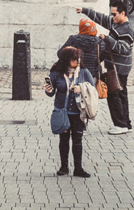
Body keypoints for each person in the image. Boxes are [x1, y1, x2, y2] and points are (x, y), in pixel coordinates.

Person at [77, 1, 134, 134]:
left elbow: (124, 49)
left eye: (114, 14)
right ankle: (126, 124)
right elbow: (101, 18)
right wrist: (85, 10)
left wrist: (108, 39)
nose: (112, 17)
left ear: (123, 13)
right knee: (121, 94)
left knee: (114, 95)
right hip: (116, 68)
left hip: (119, 68)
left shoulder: (127, 29)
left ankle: (120, 125)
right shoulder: (116, 24)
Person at [44, 44, 96, 177]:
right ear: (66, 59)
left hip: (79, 112)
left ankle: (78, 168)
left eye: (78, 58)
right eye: (74, 59)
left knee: (77, 140)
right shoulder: (56, 73)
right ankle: (64, 167)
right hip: (63, 112)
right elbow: (50, 93)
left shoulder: (84, 72)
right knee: (64, 139)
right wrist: (48, 89)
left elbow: (92, 88)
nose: (77, 61)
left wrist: (81, 87)